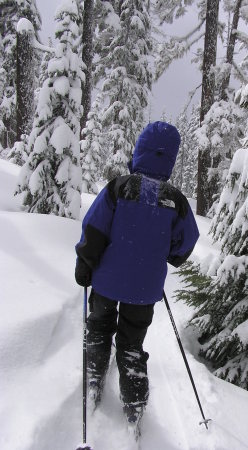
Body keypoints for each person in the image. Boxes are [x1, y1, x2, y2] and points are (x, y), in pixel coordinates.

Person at [75, 121, 199, 424]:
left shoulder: (119, 188)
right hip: (144, 289)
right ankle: (134, 402)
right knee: (131, 342)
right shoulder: (176, 201)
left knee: (99, 326)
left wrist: (85, 262)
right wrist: (170, 255)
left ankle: (94, 378)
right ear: (170, 159)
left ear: (140, 150)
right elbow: (187, 241)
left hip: (106, 281)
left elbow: (94, 227)